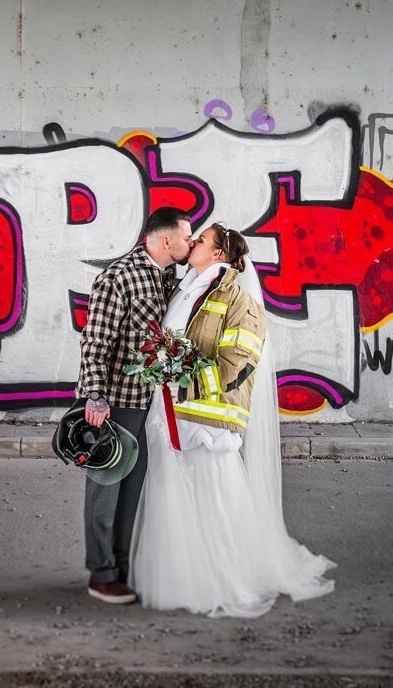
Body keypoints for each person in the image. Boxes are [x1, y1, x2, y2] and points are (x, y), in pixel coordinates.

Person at [131, 224, 335, 617]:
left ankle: (226, 578)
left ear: (220, 254)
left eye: (201, 240)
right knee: (172, 496)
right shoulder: (184, 288)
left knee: (213, 498)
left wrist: (181, 379)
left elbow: (236, 365)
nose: (193, 244)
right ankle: (181, 579)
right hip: (167, 413)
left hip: (206, 419)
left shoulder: (240, 300)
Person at [76, 207, 193, 604]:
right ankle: (102, 574)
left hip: (151, 406)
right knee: (106, 489)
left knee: (132, 492)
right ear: (165, 241)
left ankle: (122, 570)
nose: (189, 243)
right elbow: (95, 342)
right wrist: (95, 396)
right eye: (185, 237)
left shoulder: (168, 277)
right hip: (116, 405)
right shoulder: (118, 277)